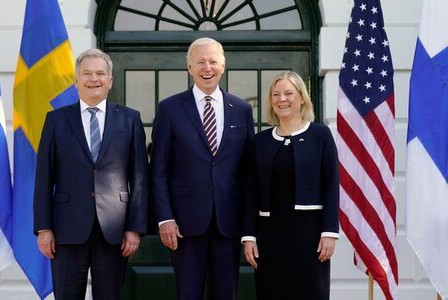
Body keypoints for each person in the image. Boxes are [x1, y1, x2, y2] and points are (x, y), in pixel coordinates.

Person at [33, 48, 149, 300]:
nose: (93, 79)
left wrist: (135, 228)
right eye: (86, 73)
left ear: (110, 80)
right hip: (66, 228)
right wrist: (44, 229)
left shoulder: (129, 119)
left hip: (115, 230)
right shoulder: (56, 120)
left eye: (100, 73)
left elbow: (140, 178)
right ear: (76, 81)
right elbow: (44, 177)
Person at [151, 37, 254, 300]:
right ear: (189, 68)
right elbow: (159, 169)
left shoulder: (241, 110)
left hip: (228, 222)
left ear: (223, 65)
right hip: (184, 224)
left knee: (226, 294)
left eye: (212, 61)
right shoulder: (170, 108)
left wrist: (248, 226)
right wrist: (165, 218)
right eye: (200, 62)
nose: (207, 68)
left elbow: (248, 172)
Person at [242, 71, 339, 300]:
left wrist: (329, 233)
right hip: (269, 238)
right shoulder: (261, 141)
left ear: (302, 98)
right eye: (276, 94)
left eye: (288, 93)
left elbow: (331, 184)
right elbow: (250, 191)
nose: (281, 99)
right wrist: (249, 237)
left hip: (310, 237)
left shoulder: (320, 135)